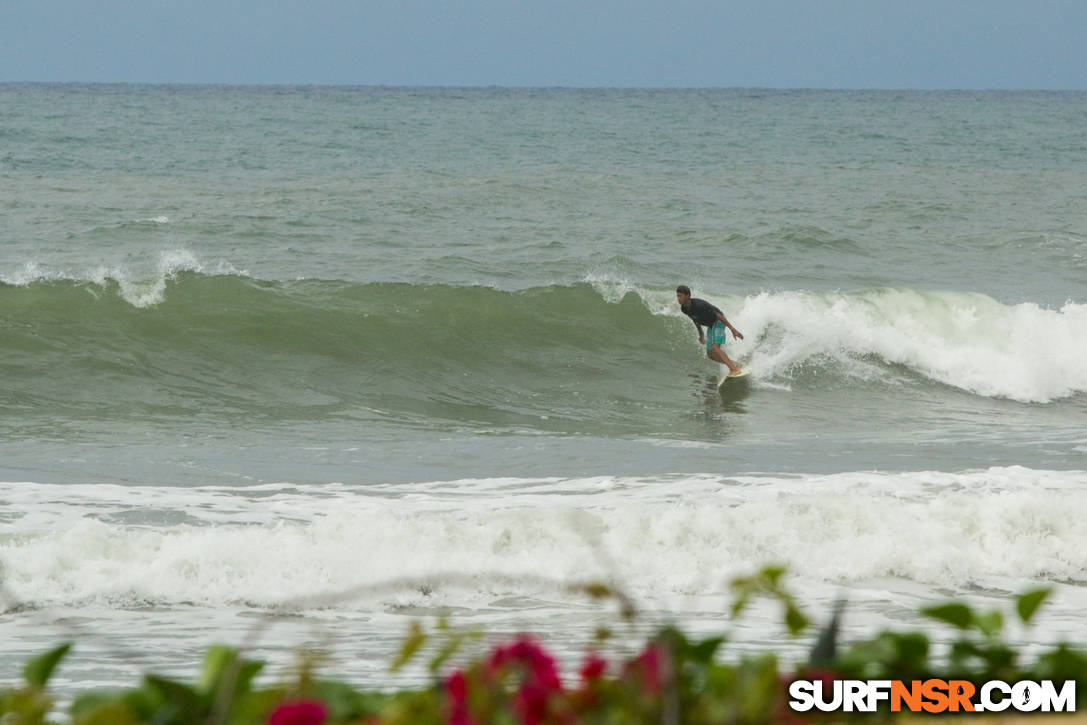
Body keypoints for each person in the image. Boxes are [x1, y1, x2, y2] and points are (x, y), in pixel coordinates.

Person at [676, 285, 744, 376]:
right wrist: (701, 335)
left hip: (718, 321)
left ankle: (734, 369)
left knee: (715, 347)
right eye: (677, 296)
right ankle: (735, 364)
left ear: (688, 295)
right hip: (711, 325)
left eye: (680, 296)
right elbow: (695, 320)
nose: (678, 298)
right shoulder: (684, 309)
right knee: (710, 355)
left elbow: (718, 315)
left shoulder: (699, 305)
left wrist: (732, 329)